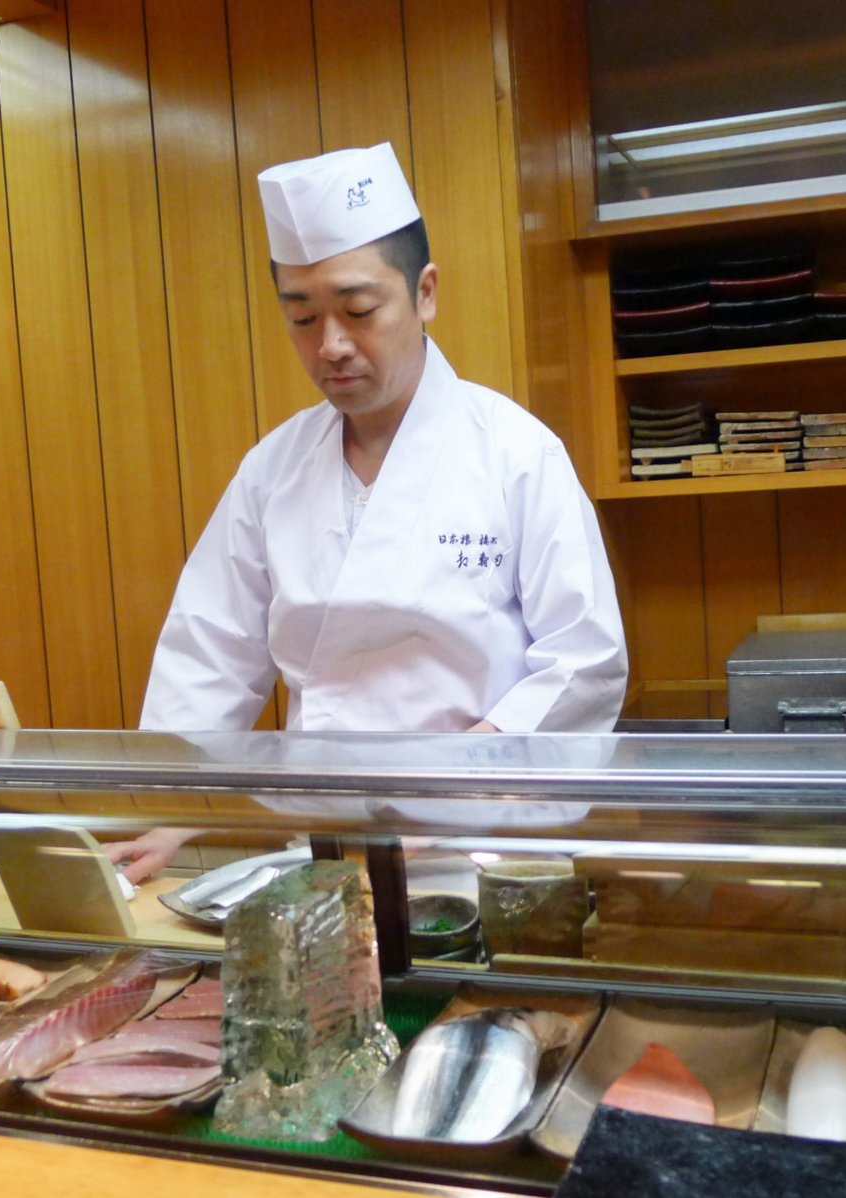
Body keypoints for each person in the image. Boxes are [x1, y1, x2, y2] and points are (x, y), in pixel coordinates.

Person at [104, 143, 627, 882]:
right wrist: (174, 812)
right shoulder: (272, 472)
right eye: (303, 318)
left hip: (486, 851)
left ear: (426, 292)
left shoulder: (515, 452)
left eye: (358, 309)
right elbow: (211, 652)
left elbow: (584, 663)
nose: (332, 346)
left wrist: (441, 790)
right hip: (327, 850)